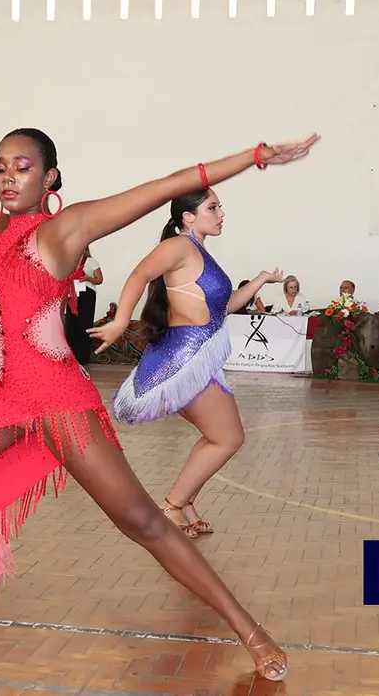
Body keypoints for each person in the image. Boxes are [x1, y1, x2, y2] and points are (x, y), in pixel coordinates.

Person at [0, 129, 319, 681]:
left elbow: (166, 185)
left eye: (21, 167)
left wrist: (256, 157)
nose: (7, 176)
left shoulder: (64, 230)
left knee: (142, 521)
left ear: (49, 178)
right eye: (2, 167)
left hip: (54, 399)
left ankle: (250, 630)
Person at [90, 189, 283, 538]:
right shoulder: (179, 246)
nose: (221, 213)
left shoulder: (196, 251)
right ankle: (172, 505)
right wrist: (120, 322)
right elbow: (139, 275)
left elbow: (219, 311)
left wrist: (260, 280)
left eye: (220, 206)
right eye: (213, 207)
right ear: (188, 217)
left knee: (217, 436)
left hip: (199, 357)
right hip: (185, 359)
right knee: (228, 438)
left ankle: (186, 502)